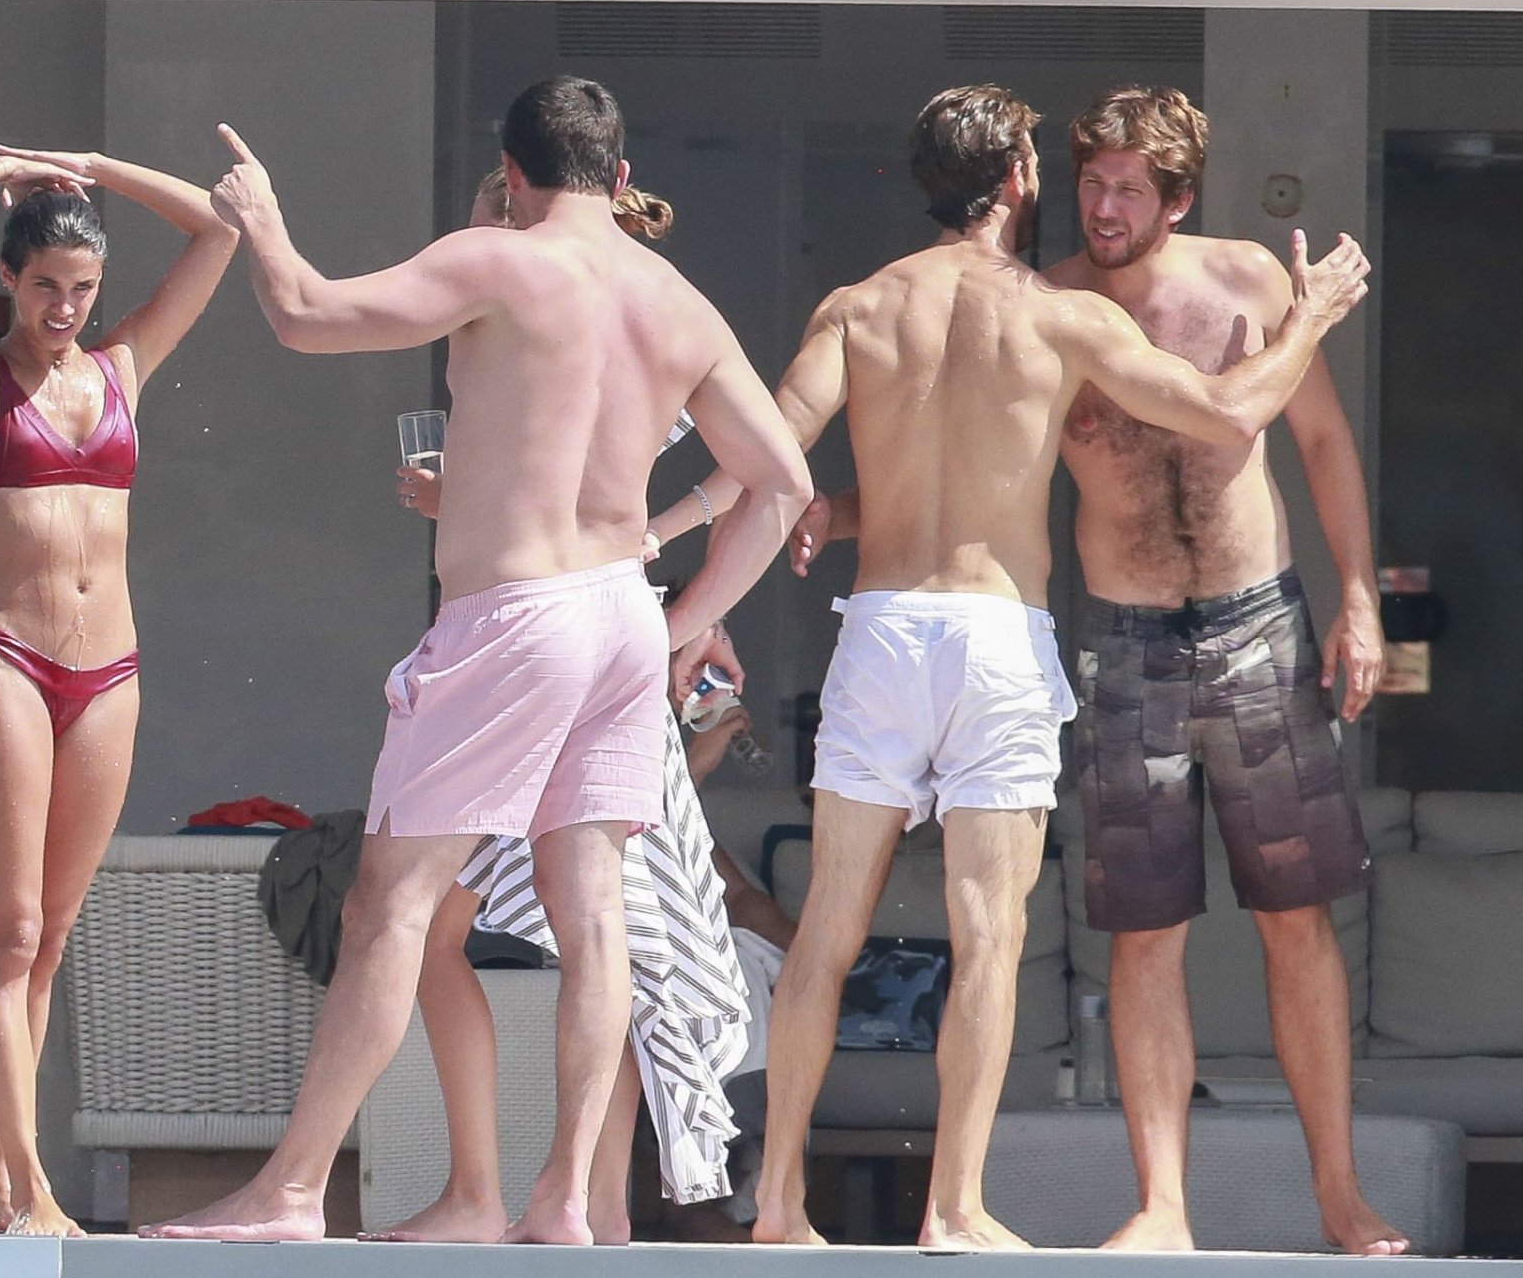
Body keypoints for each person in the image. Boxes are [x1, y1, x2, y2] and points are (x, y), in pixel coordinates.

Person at [658, 85, 1370, 1249]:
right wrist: (1315, 316)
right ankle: (953, 1208)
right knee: (988, 930)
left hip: (883, 628)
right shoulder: (1058, 314)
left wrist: (681, 583)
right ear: (1020, 178)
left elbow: (766, 462)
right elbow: (1226, 410)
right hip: (993, 636)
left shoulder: (857, 307)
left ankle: (779, 1200)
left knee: (826, 924)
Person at [145, 76, 811, 1245]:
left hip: (515, 616)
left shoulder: (500, 260)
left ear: (512, 174)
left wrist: (261, 217)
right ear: (619, 175)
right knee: (591, 916)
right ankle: (563, 1198)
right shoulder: (679, 302)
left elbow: (304, 313)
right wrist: (679, 621)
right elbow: (784, 485)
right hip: (617, 616)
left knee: (389, 904)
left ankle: (291, 1189)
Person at [1051, 86, 1400, 1255]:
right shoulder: (1052, 305)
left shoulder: (1248, 279)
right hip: (1124, 639)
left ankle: (1341, 1193)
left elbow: (1322, 439)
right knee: (1144, 930)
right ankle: (1163, 1206)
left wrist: (1358, 598)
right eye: (1092, 182)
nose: (1104, 207)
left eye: (1128, 189)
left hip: (1259, 627)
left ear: (1178, 198)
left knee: (1296, 917)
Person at [371, 170, 749, 1247]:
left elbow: (739, 472)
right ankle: (572, 1197)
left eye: (490, 207)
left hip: (543, 655)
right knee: (599, 934)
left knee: (487, 926)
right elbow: (751, 466)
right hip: (593, 642)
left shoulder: (566, 313)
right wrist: (665, 553)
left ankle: (514, 1193)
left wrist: (659, 542)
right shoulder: (636, 311)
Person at [0, 147, 237, 1235]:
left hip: (109, 671)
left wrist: (90, 167)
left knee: (51, 938)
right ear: (9, 277)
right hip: (7, 658)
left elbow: (219, 228)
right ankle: (34, 1187)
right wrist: (5, 164)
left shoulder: (121, 366)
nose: (64, 308)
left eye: (82, 288)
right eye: (45, 285)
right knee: (10, 928)